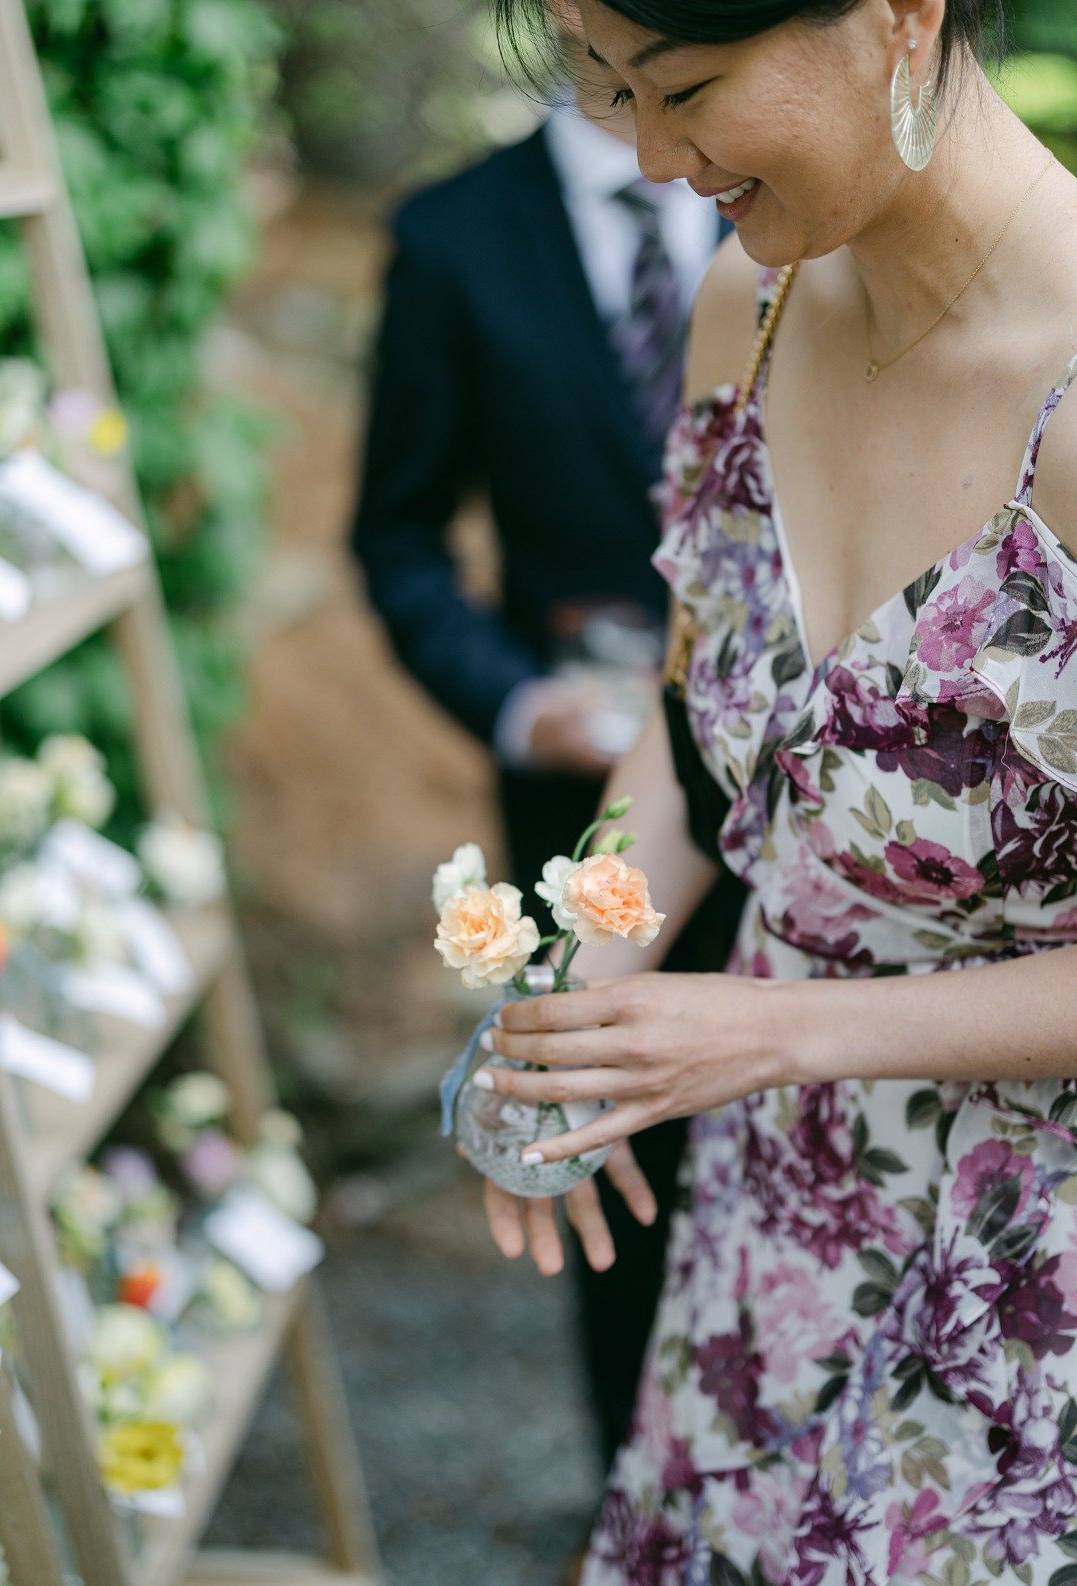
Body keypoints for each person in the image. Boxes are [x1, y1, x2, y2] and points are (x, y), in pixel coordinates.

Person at [478, 0, 1077, 1586]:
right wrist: (583, 981)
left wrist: (779, 1029)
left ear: (902, 14)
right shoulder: (744, 307)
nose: (656, 161)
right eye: (613, 94)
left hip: (1030, 1309)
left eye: (686, 91)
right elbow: (693, 743)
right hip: (767, 1253)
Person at [352, 31, 744, 1469]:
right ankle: (631, 1495)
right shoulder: (450, 237)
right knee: (601, 1163)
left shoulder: (781, 195)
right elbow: (395, 535)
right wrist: (522, 703)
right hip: (584, 814)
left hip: (806, 791)